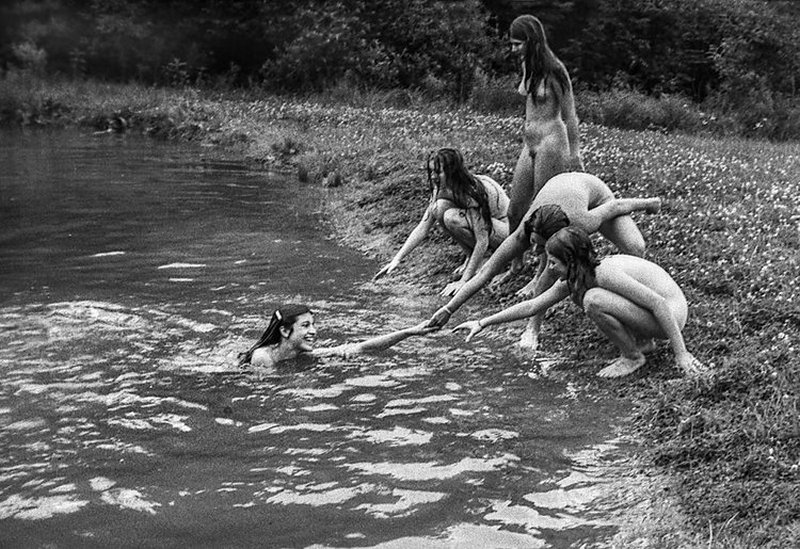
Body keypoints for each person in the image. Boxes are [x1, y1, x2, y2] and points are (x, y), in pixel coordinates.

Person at [427, 171, 661, 350]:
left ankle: (635, 309)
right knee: (547, 272)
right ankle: (533, 329)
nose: (536, 250)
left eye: (543, 246)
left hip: (595, 194)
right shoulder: (523, 233)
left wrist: (649, 204)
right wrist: (449, 309)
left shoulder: (584, 221)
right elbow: (485, 273)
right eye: (534, 243)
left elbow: (616, 206)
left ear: (562, 237)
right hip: (559, 190)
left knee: (636, 247)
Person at [452, 227, 705, 378]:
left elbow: (658, 303)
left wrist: (681, 354)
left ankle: (633, 356)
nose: (549, 268)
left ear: (571, 261)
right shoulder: (575, 277)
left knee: (593, 300)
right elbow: (533, 306)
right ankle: (643, 343)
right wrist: (482, 322)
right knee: (592, 298)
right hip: (653, 315)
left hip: (672, 313)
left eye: (553, 262)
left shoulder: (604, 273)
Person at [374, 148, 510, 297]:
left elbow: (482, 240)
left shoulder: (471, 191)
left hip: (505, 231)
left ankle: (488, 260)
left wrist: (463, 282)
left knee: (452, 217)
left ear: (452, 172)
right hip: (487, 229)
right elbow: (423, 227)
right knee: (439, 209)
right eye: (431, 171)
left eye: (438, 172)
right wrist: (396, 260)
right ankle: (471, 257)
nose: (433, 177)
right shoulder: (440, 188)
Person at [507, 15, 583, 236]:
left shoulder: (556, 71)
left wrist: (575, 153)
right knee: (514, 210)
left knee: (543, 212)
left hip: (551, 143)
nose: (513, 49)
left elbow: (570, 115)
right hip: (530, 143)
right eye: (512, 44)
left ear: (532, 41)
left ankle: (544, 264)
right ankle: (516, 263)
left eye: (518, 44)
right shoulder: (527, 65)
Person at [238, 304, 434, 370]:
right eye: (305, 326)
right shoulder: (263, 358)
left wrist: (408, 332)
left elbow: (361, 348)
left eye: (313, 325)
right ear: (284, 331)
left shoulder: (302, 355)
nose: (314, 331)